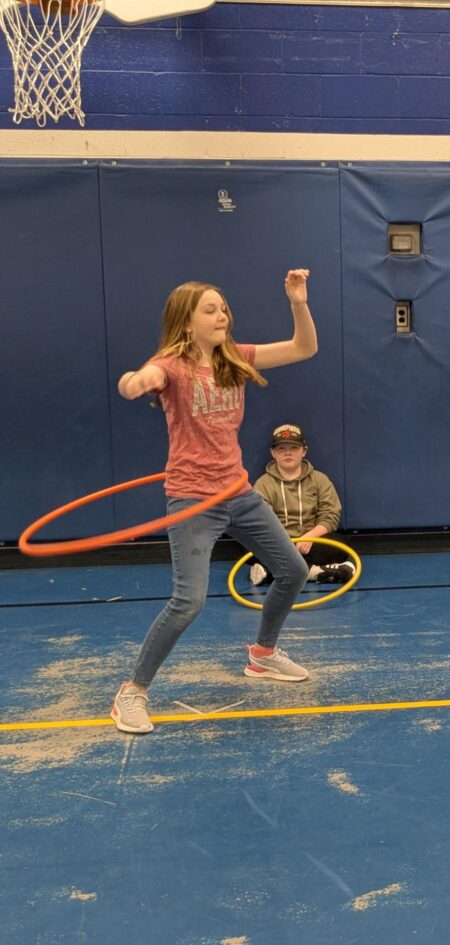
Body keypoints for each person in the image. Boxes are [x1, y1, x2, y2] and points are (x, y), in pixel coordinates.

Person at [112, 270, 318, 734]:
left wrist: (298, 302)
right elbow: (146, 375)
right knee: (189, 602)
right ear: (187, 322)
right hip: (192, 499)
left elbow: (304, 348)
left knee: (294, 570)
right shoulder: (172, 366)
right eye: (210, 309)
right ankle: (133, 691)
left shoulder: (235, 359)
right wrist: (136, 381)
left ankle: (262, 655)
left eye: (223, 308)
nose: (222, 314)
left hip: (238, 493)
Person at [249, 424, 355, 586]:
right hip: (279, 542)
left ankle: (271, 572)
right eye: (281, 448)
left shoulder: (320, 480)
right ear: (273, 453)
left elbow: (331, 516)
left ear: (304, 451)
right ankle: (314, 572)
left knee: (340, 545)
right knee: (250, 549)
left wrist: (309, 537)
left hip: (312, 542)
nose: (288, 453)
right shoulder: (263, 484)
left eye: (294, 447)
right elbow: (263, 522)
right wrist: (286, 542)